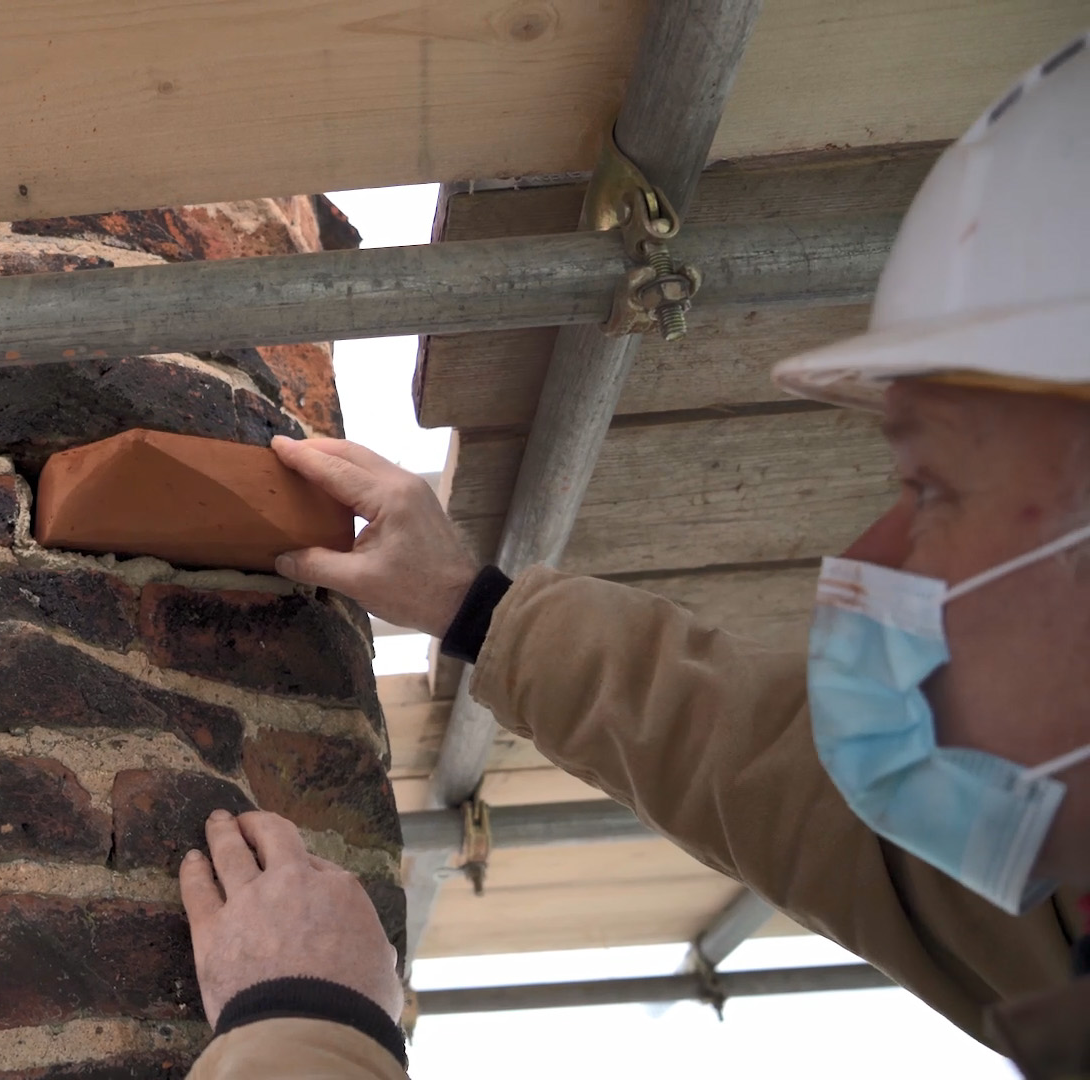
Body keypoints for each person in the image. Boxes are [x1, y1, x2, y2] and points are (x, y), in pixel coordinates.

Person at [179, 32, 1090, 1080]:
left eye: (933, 488)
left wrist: (303, 1030)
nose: (873, 551)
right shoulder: (1040, 917)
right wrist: (472, 606)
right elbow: (764, 776)